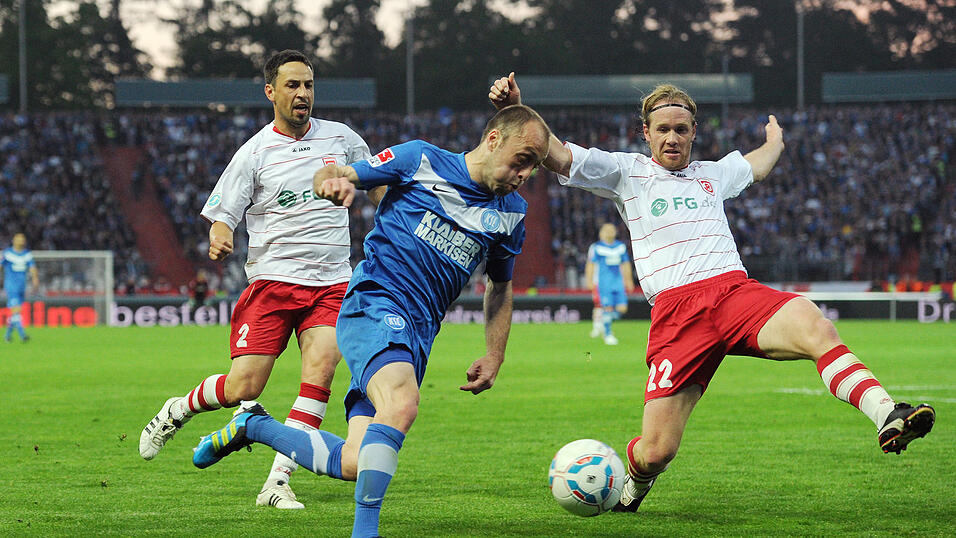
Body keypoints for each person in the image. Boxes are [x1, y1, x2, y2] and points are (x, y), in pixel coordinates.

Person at [488, 73, 935, 512]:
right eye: (662, 129)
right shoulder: (626, 171)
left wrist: (776, 139)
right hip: (677, 316)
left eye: (681, 130)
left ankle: (887, 415)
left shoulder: (713, 174)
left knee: (816, 326)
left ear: (694, 133)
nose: (672, 138)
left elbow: (758, 163)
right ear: (646, 132)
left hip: (733, 293)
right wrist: (515, 112)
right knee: (656, 452)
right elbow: (558, 155)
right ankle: (631, 491)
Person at [190, 104, 551, 538]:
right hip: (375, 306)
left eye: (533, 166)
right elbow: (332, 175)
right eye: (522, 160)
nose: (524, 174)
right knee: (401, 404)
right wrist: (333, 185)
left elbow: (500, 286)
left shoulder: (511, 212)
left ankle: (255, 426)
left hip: (419, 334)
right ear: (494, 139)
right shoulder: (419, 159)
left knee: (355, 462)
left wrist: (495, 353)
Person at [139, 49, 383, 510]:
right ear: (270, 92)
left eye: (309, 85)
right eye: (292, 85)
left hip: (332, 282)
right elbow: (222, 214)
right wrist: (220, 235)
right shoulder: (254, 152)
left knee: (320, 375)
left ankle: (277, 482)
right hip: (273, 282)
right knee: (243, 389)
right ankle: (179, 408)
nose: (303, 94)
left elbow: (377, 179)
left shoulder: (343, 139)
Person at [585, 222, 635, 345]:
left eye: (612, 229)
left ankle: (603, 320)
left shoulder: (620, 247)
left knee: (622, 309)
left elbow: (626, 264)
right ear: (601, 232)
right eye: (607, 230)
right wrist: (589, 280)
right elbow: (591, 264)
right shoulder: (597, 247)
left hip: (618, 283)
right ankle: (608, 334)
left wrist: (628, 280)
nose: (610, 232)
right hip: (604, 284)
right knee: (606, 308)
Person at [2, 233, 39, 342]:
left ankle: (7, 336)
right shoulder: (7, 253)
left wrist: (35, 279)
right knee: (16, 310)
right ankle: (23, 335)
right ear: (14, 240)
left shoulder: (27, 254)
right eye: (19, 239)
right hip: (11, 285)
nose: (21, 241)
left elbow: (32, 268)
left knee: (16, 312)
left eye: (23, 239)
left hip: (22, 286)